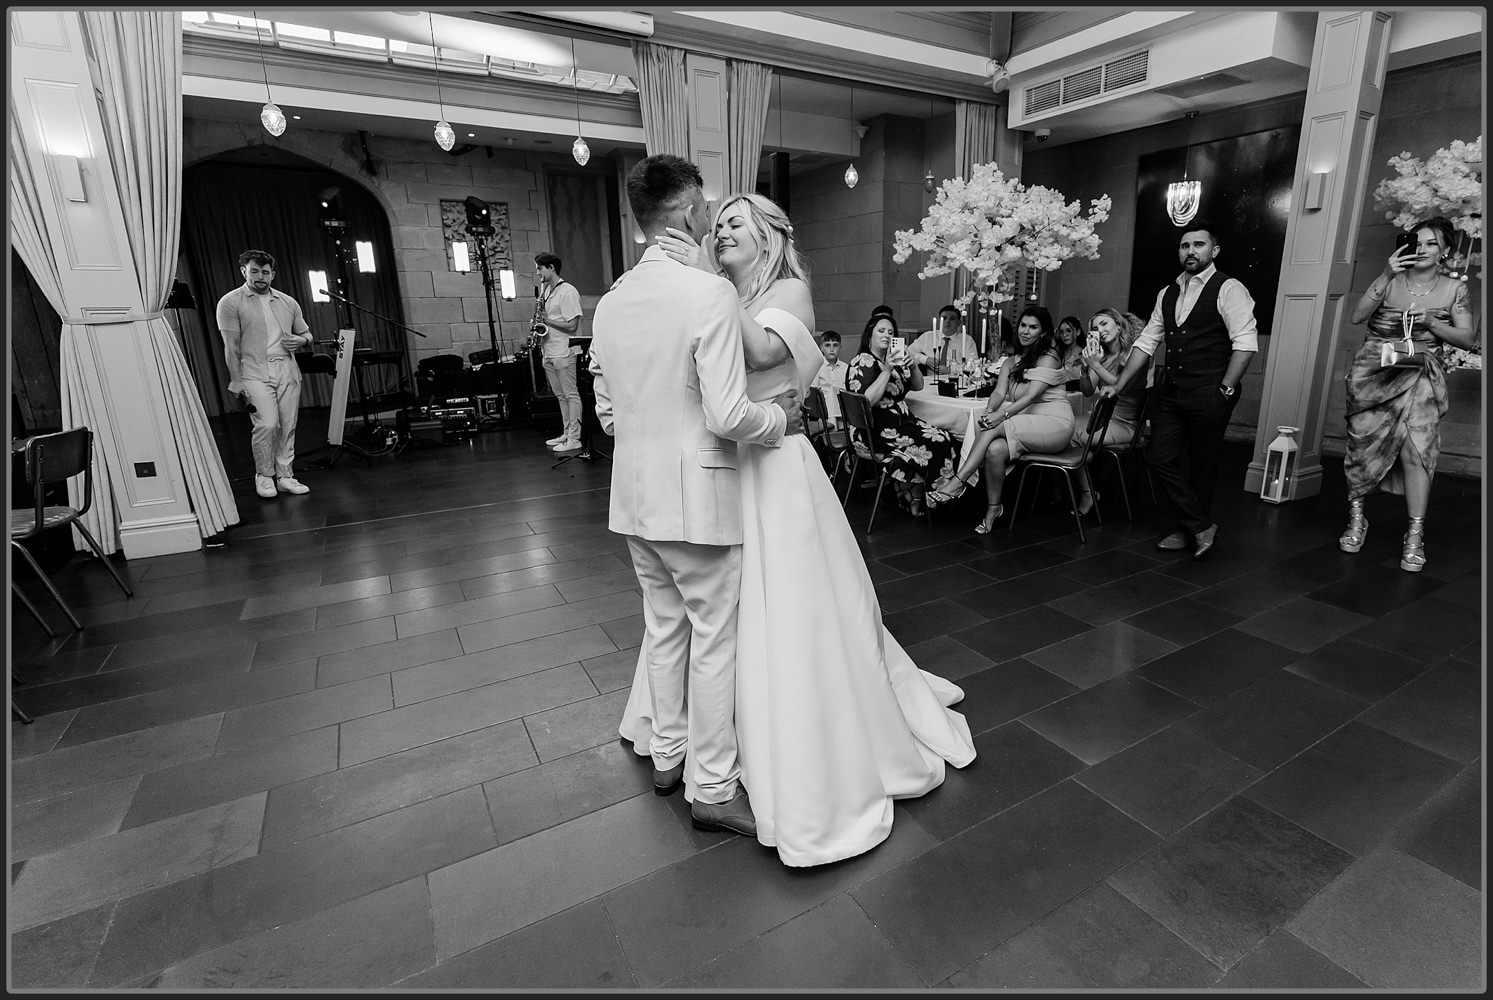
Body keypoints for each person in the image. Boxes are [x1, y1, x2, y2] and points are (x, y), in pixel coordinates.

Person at [621, 189, 975, 867]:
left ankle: (787, 731)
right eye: (715, 223)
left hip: (777, 466)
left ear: (769, 236)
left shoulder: (788, 290)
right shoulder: (712, 292)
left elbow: (757, 356)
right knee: (710, 608)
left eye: (734, 224)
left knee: (784, 603)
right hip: (725, 462)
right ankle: (700, 738)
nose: (720, 231)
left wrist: (692, 288)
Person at [589, 155, 803, 838]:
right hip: (697, 501)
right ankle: (711, 787)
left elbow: (607, 410)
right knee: (713, 639)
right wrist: (780, 423)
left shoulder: (615, 298)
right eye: (707, 206)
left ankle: (666, 753)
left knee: (663, 626)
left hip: (634, 498)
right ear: (688, 211)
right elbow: (728, 413)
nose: (712, 218)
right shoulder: (706, 292)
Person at [1099, 220, 1258, 560]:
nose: (1191, 251)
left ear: (1213, 251)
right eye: (1185, 246)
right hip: (1170, 391)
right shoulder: (1167, 292)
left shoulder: (1230, 289)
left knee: (1202, 463)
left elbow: (1244, 345)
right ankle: (1200, 525)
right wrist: (1119, 384)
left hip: (1210, 389)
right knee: (1159, 458)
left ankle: (1185, 528)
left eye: (1198, 245)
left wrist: (1226, 391)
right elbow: (1146, 342)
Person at [1340, 216, 1475, 572]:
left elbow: (1467, 339)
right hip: (1373, 375)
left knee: (1418, 452)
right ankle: (1357, 518)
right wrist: (1384, 275)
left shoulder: (1454, 290)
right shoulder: (1391, 280)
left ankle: (1414, 534)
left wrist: (1432, 323)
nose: (1422, 249)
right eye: (1417, 241)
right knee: (1362, 449)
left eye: (1431, 243)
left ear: (1445, 251)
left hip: (1420, 376)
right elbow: (1357, 316)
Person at [925, 305, 1074, 533]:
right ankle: (993, 508)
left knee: (995, 425)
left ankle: (958, 481)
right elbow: (998, 393)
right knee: (995, 449)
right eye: (1023, 325)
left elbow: (1033, 395)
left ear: (1043, 333)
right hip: (1027, 424)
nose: (1026, 331)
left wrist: (1000, 416)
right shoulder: (1010, 361)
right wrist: (989, 411)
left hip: (1055, 424)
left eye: (1033, 327)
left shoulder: (1049, 357)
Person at [215, 249, 314, 500]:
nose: (261, 277)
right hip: (254, 370)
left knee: (288, 425)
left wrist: (300, 341)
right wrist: (236, 379)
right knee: (267, 424)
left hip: (287, 368)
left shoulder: (287, 301)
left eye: (265, 272)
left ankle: (285, 476)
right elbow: (231, 346)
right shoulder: (230, 302)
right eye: (255, 271)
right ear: (243, 271)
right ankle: (264, 475)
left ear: (273, 274)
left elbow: (307, 334)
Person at [845, 310, 958, 516]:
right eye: (881, 331)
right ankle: (935, 497)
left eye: (891, 332)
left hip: (900, 422)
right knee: (938, 441)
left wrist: (913, 365)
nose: (887, 335)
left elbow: (917, 386)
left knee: (944, 435)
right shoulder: (862, 361)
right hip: (875, 429)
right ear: (870, 335)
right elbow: (867, 401)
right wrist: (887, 370)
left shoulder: (894, 361)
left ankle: (920, 496)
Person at [1069, 308, 1150, 515]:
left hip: (1125, 424)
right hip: (1101, 419)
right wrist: (1086, 368)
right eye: (1095, 328)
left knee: (1069, 435)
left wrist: (1095, 364)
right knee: (1062, 427)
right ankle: (1075, 489)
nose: (1100, 330)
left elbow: (1121, 385)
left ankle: (1087, 492)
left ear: (1119, 324)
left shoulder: (1135, 353)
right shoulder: (1103, 357)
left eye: (1104, 324)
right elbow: (1087, 391)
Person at [533, 251, 585, 455]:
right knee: (560, 395)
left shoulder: (568, 291)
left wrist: (547, 320)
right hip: (549, 348)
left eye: (540, 268)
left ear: (551, 268)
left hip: (564, 349)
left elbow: (572, 325)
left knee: (571, 394)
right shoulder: (545, 291)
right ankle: (566, 433)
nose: (538, 273)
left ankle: (575, 437)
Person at [910, 304, 980, 377]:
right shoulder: (928, 336)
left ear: (959, 323)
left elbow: (974, 366)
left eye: (952, 318)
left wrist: (952, 369)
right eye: (944, 318)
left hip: (957, 380)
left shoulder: (967, 340)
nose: (947, 321)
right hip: (931, 380)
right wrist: (925, 359)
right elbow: (908, 352)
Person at [809, 329, 848, 428]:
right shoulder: (817, 367)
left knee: (836, 391)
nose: (831, 349)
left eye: (835, 345)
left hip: (844, 407)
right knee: (830, 392)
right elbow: (813, 393)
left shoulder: (847, 368)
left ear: (840, 347)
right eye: (827, 345)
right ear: (821, 348)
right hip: (823, 410)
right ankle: (833, 426)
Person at [1055, 314, 1086, 387]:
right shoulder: (1058, 353)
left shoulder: (1085, 353)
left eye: (1068, 331)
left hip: (1079, 394)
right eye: (1061, 332)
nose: (1065, 335)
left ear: (1078, 332)